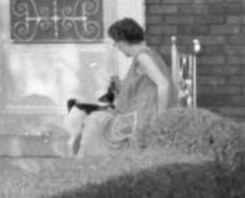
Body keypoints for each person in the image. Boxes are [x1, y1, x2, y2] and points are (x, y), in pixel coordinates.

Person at [70, 17, 171, 156]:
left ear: (123, 41)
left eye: (116, 43)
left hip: (141, 119)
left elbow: (163, 84)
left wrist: (161, 118)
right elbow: (145, 85)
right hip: (138, 115)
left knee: (95, 123)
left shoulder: (143, 57)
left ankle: (85, 165)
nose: (116, 47)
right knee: (96, 121)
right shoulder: (147, 55)